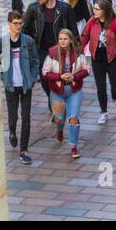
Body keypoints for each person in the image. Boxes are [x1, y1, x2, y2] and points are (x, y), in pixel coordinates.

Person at [23, 0, 74, 114]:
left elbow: (73, 30)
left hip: (59, 49)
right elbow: (25, 29)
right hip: (41, 49)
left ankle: (58, 100)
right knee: (44, 77)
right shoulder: (34, 9)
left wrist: (75, 50)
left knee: (60, 77)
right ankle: (52, 98)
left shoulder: (65, 8)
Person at [42, 28, 90, 159]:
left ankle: (74, 146)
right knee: (58, 118)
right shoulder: (52, 52)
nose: (63, 41)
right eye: (60, 39)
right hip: (57, 91)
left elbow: (87, 69)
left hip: (74, 90)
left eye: (65, 39)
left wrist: (74, 76)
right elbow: (45, 72)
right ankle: (59, 129)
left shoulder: (78, 52)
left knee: (73, 118)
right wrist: (60, 76)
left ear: (70, 40)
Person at [0, 11, 39, 165]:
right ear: (9, 24)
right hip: (11, 85)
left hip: (25, 85)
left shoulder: (28, 42)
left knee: (26, 116)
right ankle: (11, 131)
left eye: (20, 23)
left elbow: (35, 61)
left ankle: (24, 150)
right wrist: (3, 77)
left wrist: (32, 78)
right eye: (15, 23)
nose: (18, 26)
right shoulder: (2, 43)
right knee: (13, 115)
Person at [81, 0, 116, 123]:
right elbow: (84, 37)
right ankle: (103, 112)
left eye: (97, 9)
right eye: (94, 9)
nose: (94, 11)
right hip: (97, 58)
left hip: (113, 58)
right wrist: (78, 53)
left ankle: (115, 96)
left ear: (105, 11)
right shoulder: (92, 22)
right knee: (100, 86)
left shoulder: (115, 23)